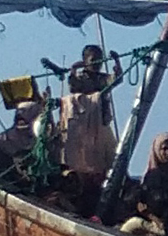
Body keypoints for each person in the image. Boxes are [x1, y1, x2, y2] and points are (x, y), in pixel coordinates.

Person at [49, 45, 117, 181]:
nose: (97, 64)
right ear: (85, 61)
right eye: (93, 60)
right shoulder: (81, 78)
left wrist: (117, 63)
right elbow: (73, 87)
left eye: (100, 60)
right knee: (80, 157)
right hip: (82, 124)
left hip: (101, 123)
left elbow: (115, 79)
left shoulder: (102, 78)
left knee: (107, 156)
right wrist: (73, 70)